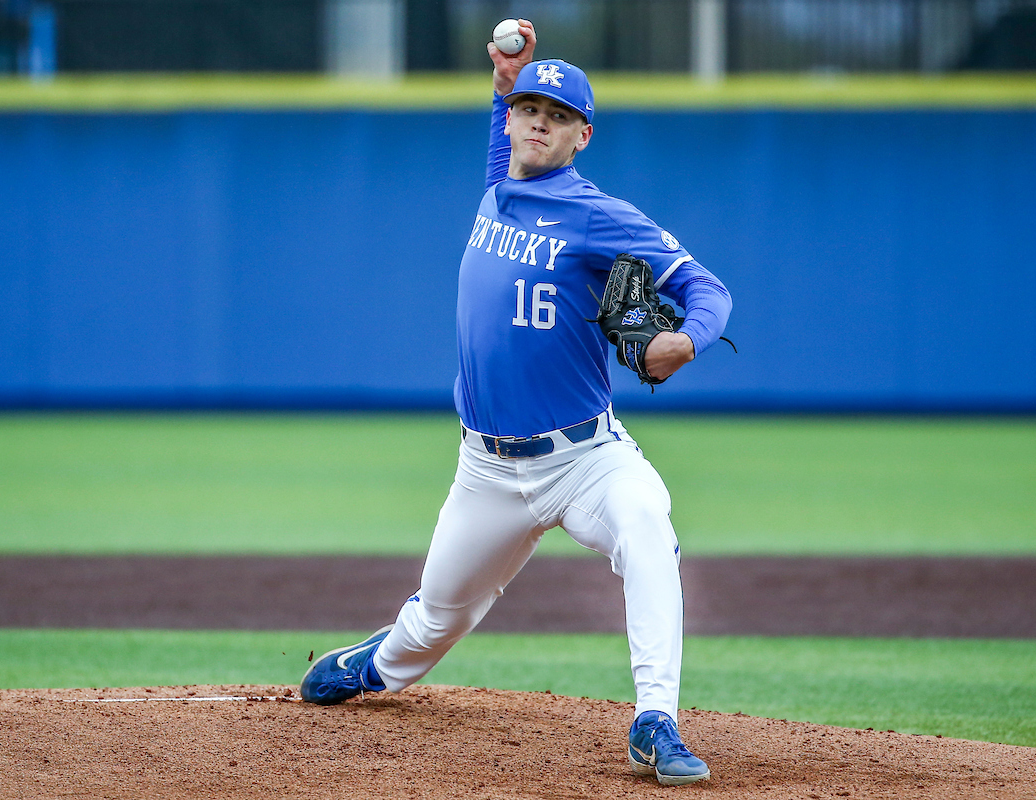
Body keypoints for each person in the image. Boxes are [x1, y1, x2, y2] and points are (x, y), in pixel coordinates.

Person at [301, 20, 732, 787]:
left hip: (584, 458)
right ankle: (377, 663)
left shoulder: (597, 214)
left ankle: (656, 719)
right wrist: (507, 79)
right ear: (510, 119)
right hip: (487, 471)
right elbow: (507, 138)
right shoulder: (500, 185)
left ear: (582, 137)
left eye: (559, 116)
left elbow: (708, 289)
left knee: (647, 526)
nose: (540, 121)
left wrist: (689, 340)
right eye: (530, 108)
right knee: (435, 622)